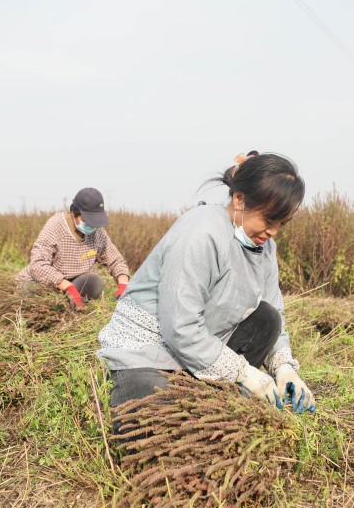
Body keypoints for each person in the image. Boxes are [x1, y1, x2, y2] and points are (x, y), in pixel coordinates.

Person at [98, 152, 316, 423]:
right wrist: (244, 373)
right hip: (151, 349)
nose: (272, 232)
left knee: (267, 318)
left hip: (203, 346)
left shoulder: (264, 247)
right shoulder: (200, 233)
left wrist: (283, 368)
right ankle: (205, 389)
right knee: (150, 422)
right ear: (240, 200)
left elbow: (275, 308)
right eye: (268, 221)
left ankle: (212, 388)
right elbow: (180, 327)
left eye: (280, 224)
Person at [16, 187, 130, 310]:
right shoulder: (56, 226)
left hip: (74, 282)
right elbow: (38, 264)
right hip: (43, 282)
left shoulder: (97, 232)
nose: (92, 225)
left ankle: (71, 304)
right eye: (87, 220)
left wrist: (123, 285)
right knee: (30, 294)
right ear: (75, 213)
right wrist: (68, 287)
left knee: (95, 281)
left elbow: (115, 259)